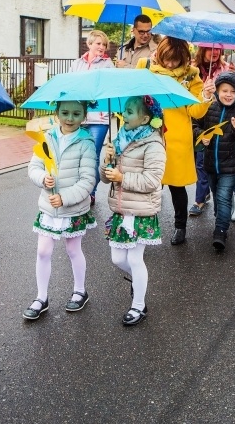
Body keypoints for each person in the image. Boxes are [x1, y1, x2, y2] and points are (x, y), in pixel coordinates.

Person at [23, 100, 96, 320]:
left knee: (73, 250)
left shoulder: (86, 143)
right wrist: (42, 178)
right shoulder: (47, 137)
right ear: (56, 113)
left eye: (76, 113)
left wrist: (64, 198)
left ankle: (80, 291)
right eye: (65, 112)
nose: (70, 118)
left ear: (84, 115)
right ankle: (41, 297)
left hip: (72, 208)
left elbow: (88, 180)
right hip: (48, 207)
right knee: (43, 251)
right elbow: (34, 166)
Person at [100, 95, 166, 326]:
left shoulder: (154, 144)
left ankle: (139, 305)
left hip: (141, 211)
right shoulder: (119, 139)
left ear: (145, 119)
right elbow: (105, 178)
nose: (124, 115)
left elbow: (152, 180)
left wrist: (122, 177)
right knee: (118, 258)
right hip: (120, 209)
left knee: (136, 259)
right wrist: (107, 161)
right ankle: (139, 282)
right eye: (124, 110)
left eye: (129, 111)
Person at [147, 36, 215, 245]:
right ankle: (145, 225)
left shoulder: (191, 76)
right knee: (149, 185)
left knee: (176, 187)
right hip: (149, 135)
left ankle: (180, 227)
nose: (169, 64)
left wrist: (205, 96)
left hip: (177, 139)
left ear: (183, 57)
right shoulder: (146, 69)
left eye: (175, 60)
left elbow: (194, 111)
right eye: (166, 58)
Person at [192, 72, 235, 250]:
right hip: (210, 164)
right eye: (224, 90)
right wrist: (201, 135)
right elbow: (194, 124)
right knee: (217, 197)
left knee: (223, 197)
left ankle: (220, 232)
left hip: (231, 166)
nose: (228, 94)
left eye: (233, 91)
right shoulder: (209, 107)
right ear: (217, 91)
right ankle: (221, 216)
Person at [70, 30, 115, 203]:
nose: (102, 47)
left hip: (99, 119)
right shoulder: (77, 64)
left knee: (93, 155)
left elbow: (109, 89)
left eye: (104, 44)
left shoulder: (107, 64)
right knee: (78, 155)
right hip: (79, 117)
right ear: (89, 44)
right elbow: (71, 86)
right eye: (98, 43)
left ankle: (91, 192)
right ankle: (80, 188)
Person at [189, 46, 234, 217]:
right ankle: (202, 195)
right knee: (200, 160)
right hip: (198, 117)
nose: (214, 52)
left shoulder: (226, 68)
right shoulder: (193, 70)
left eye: (217, 50)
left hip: (219, 119)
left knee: (209, 161)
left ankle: (205, 199)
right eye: (210, 49)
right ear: (202, 50)